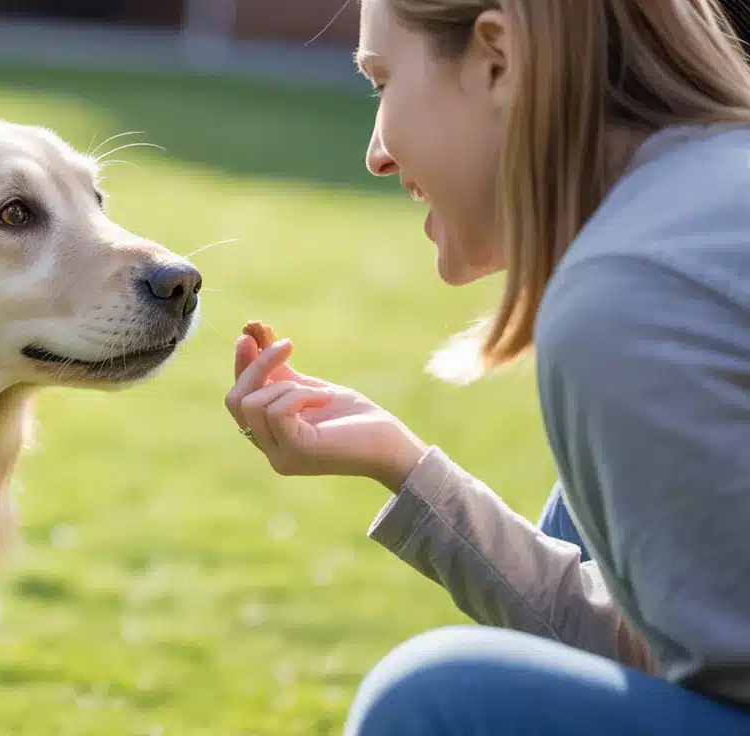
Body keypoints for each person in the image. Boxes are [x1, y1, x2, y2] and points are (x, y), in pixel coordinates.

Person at [224, 1, 750, 733]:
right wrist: (406, 470)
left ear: (497, 61)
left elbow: (706, 685)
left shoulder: (626, 297)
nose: (375, 152)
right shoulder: (709, 190)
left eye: (382, 80)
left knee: (436, 701)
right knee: (576, 520)